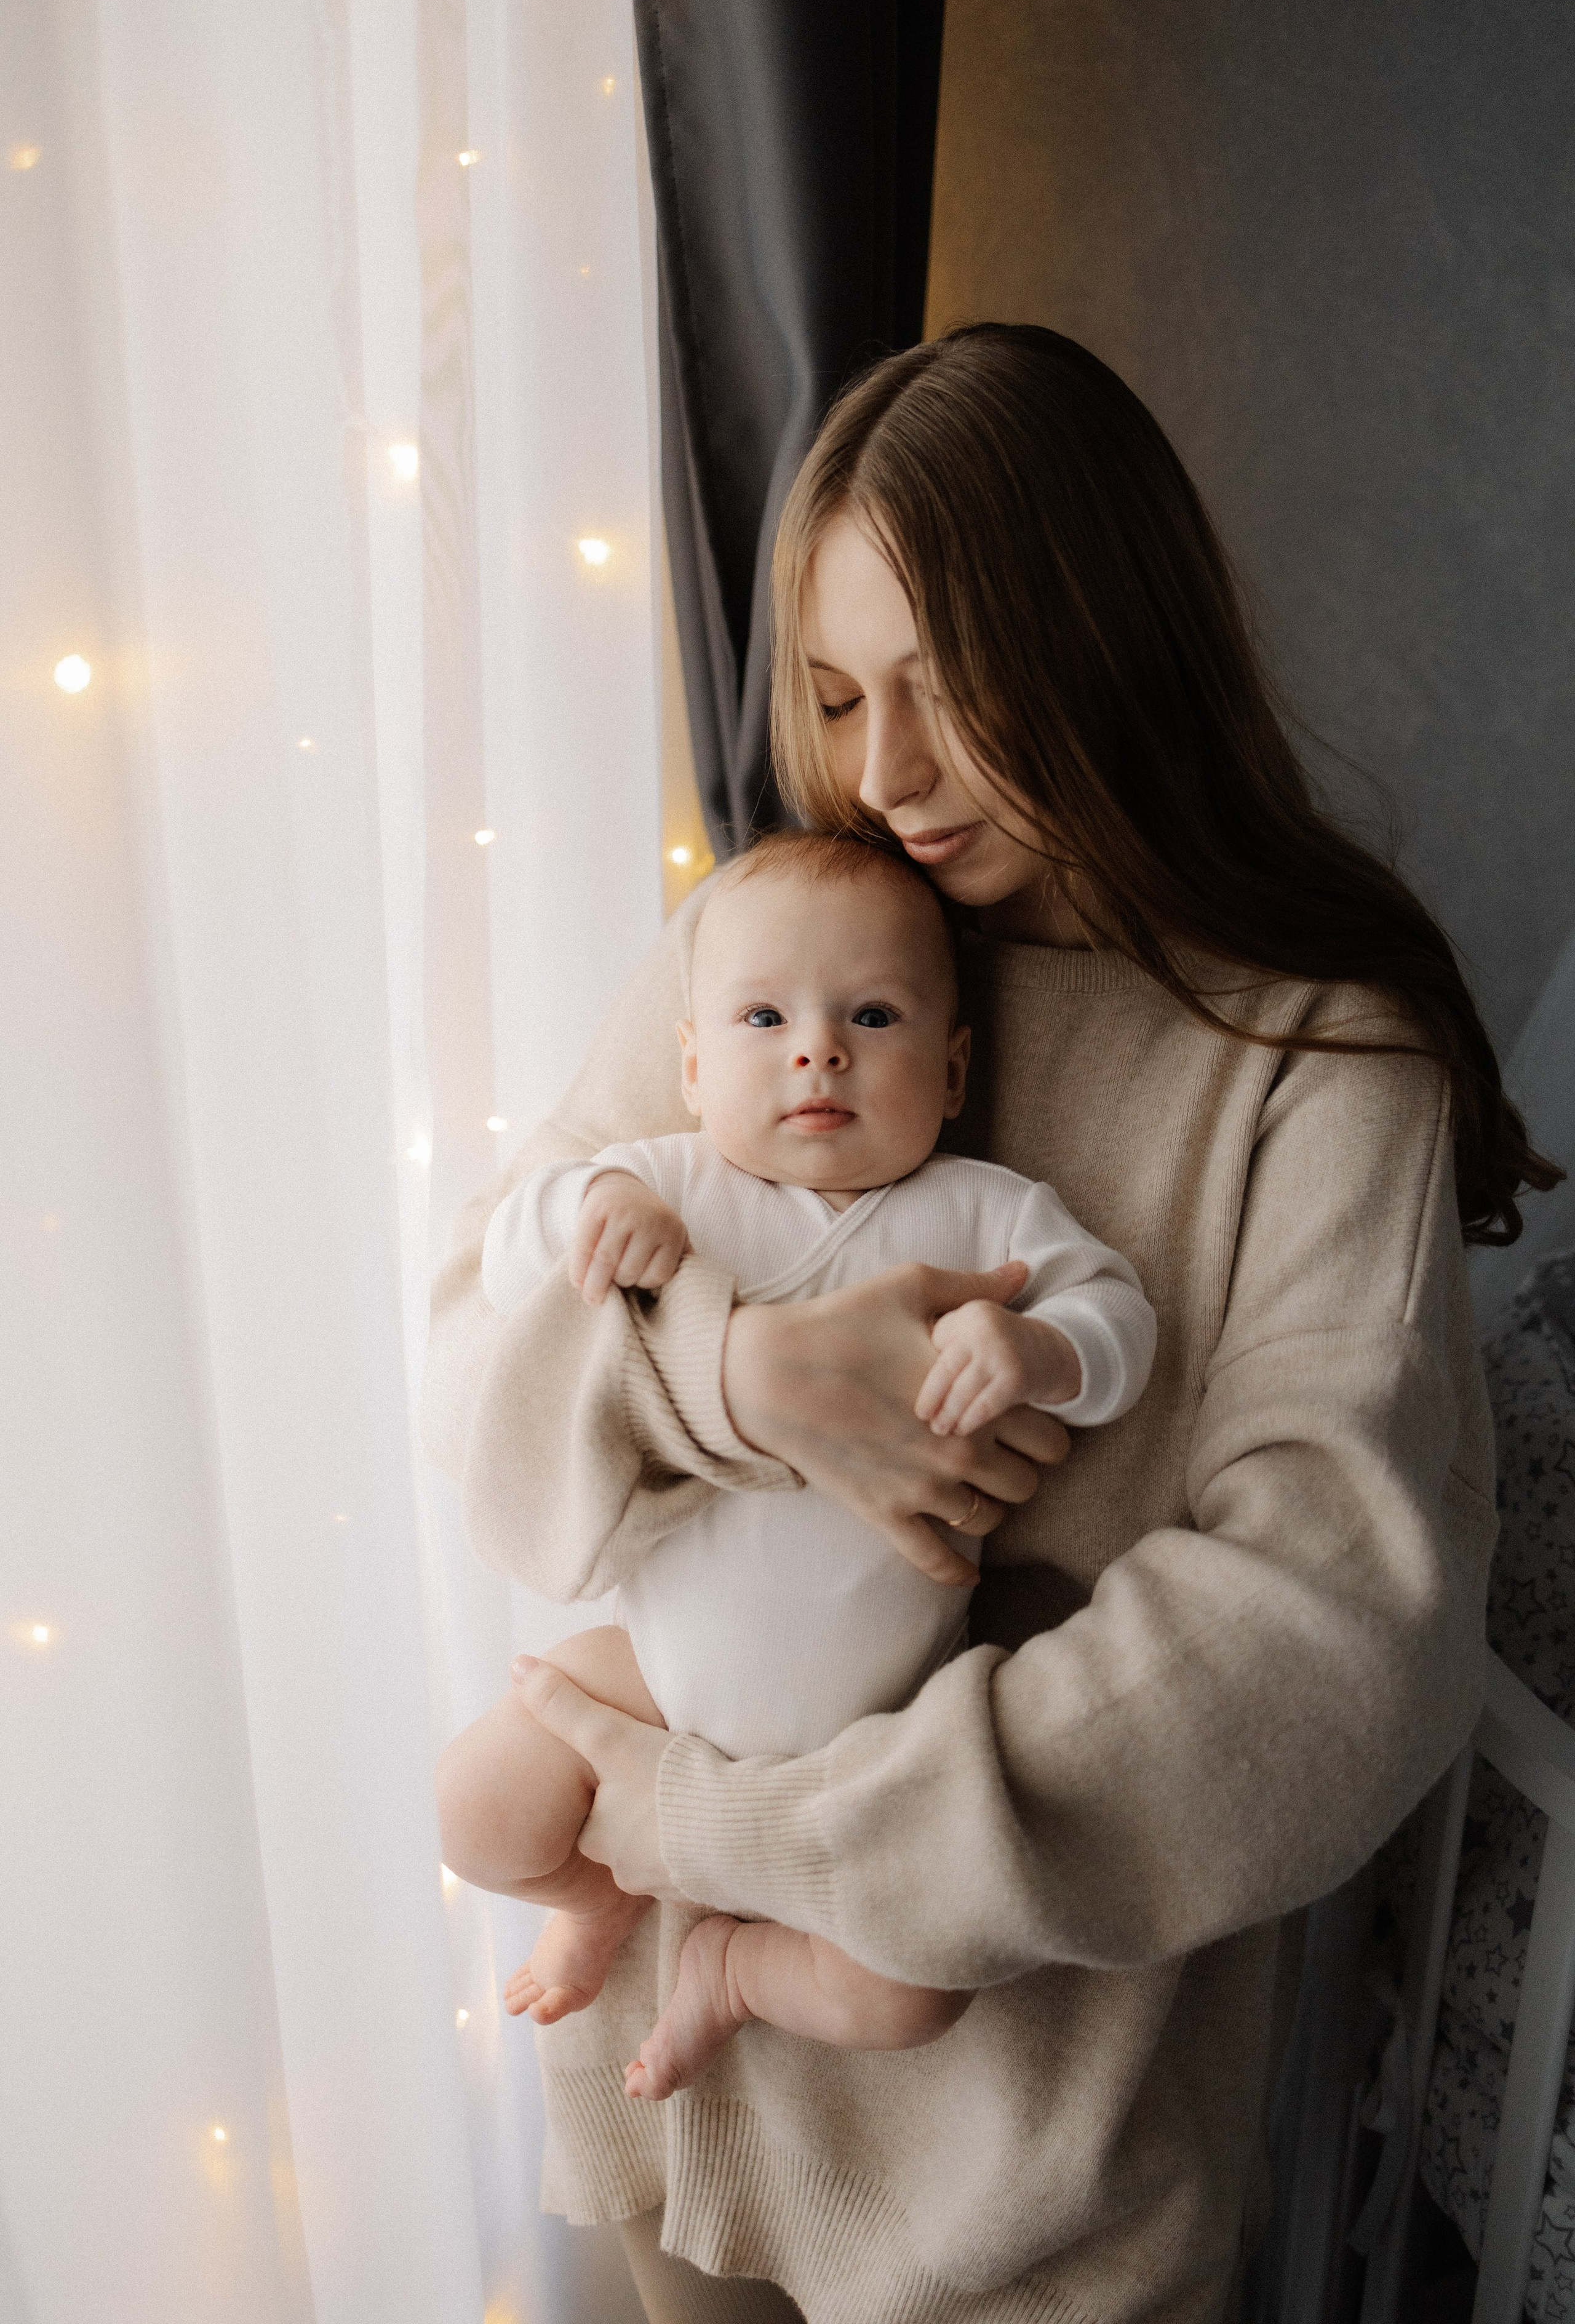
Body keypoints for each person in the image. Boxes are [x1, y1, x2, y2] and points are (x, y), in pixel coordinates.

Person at [422, 324, 1560, 2324]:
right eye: (844, 697)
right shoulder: (779, 939)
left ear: (1110, 644)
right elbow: (477, 1354)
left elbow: (1327, 1641)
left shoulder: (1313, 1059)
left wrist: (730, 1826)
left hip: (1019, 2184)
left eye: (950, 691)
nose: (889, 777)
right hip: (675, 2123)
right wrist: (738, 1380)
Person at [434, 830, 1155, 2103]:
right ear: (694, 1064)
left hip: (878, 1735)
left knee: (911, 1989)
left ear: (951, 1068)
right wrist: (590, 1218)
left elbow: (1122, 1323)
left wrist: (1036, 1347)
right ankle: (596, 1898)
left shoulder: (984, 1212)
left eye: (871, 1016)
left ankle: (733, 1972)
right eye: (764, 1018)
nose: (816, 1049)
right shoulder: (672, 1182)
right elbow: (508, 1249)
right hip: (657, 1674)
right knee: (477, 1812)